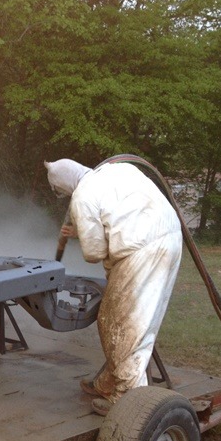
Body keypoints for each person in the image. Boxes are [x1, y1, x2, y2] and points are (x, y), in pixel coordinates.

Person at [44, 158, 183, 416]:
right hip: (170, 237)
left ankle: (127, 399)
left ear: (64, 186)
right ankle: (109, 382)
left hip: (141, 250)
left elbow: (94, 252)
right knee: (134, 320)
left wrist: (81, 231)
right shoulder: (115, 169)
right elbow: (117, 215)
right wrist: (80, 230)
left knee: (121, 323)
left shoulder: (82, 197)